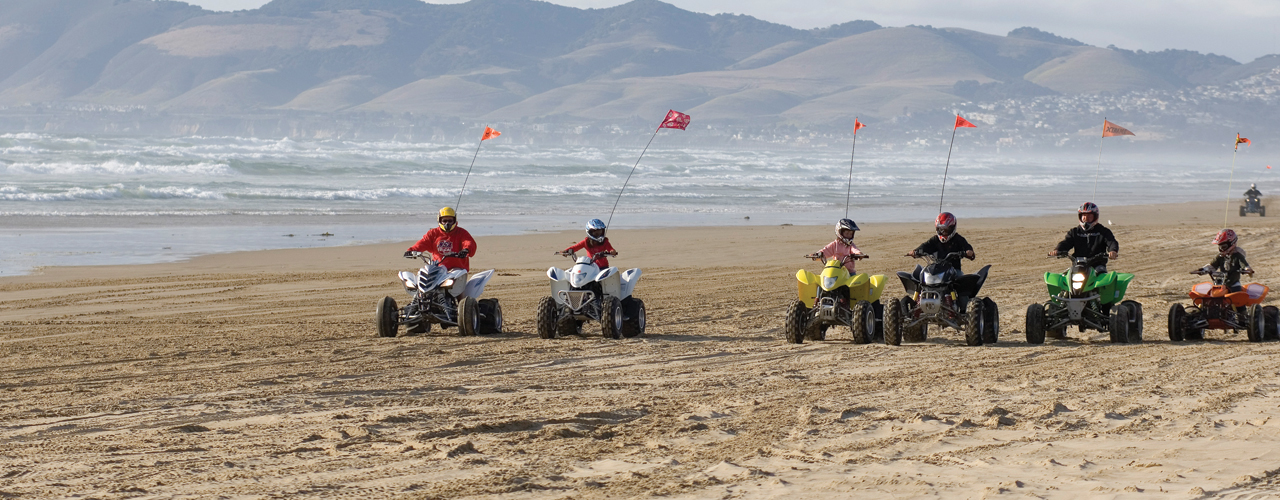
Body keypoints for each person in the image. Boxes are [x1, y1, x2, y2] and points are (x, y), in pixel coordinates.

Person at [1048, 202, 1119, 274]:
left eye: (1089, 216)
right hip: (1078, 265)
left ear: (1095, 217)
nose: (1086, 218)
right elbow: (1066, 242)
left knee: (1103, 278)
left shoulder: (1103, 231)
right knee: (1064, 277)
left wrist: (1113, 251)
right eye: (1084, 216)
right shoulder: (1075, 232)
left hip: (1097, 265)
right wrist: (1057, 250)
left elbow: (1111, 242)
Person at [405, 207, 477, 271]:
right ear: (439, 221)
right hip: (438, 267)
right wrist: (412, 250)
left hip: (457, 269)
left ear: (455, 221)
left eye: (450, 221)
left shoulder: (461, 232)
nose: (447, 223)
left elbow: (468, 242)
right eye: (444, 221)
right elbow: (423, 243)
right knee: (424, 272)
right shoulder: (433, 233)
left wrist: (466, 250)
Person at [907, 212, 975, 272]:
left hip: (954, 270)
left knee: (961, 278)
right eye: (940, 230)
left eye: (945, 230)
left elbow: (969, 251)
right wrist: (915, 251)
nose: (943, 232)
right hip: (937, 269)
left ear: (952, 228)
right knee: (923, 276)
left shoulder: (958, 239)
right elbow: (926, 246)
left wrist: (969, 253)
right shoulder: (935, 239)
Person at [1199, 229, 1253, 294]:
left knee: (1238, 297)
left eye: (1223, 246)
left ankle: (1240, 304)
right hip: (1221, 283)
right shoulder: (1220, 257)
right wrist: (1203, 269)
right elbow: (1212, 266)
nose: (1221, 249)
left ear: (1232, 244)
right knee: (1211, 294)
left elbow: (1244, 265)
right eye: (1220, 247)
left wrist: (1247, 270)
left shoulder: (1238, 256)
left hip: (1233, 283)